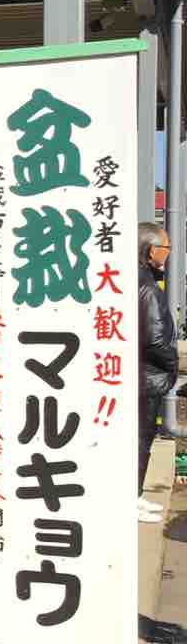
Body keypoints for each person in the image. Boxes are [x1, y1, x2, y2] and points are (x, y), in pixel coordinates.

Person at [138, 221, 177, 523]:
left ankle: (134, 494)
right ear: (151, 251)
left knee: (141, 440)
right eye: (166, 247)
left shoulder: (138, 280)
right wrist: (172, 365)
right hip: (147, 378)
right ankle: (129, 498)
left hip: (140, 376)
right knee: (140, 440)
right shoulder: (148, 288)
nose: (169, 253)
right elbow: (155, 339)